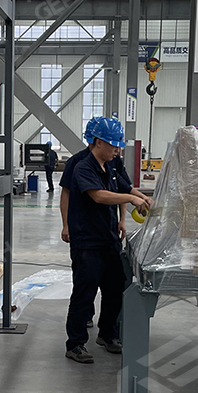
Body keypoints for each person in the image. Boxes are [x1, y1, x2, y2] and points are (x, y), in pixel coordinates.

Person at [61, 117, 151, 364]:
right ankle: (75, 344)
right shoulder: (82, 167)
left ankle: (107, 334)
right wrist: (131, 200)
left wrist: (143, 198)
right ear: (98, 142)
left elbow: (125, 188)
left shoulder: (110, 166)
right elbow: (99, 196)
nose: (117, 150)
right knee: (85, 292)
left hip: (108, 239)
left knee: (115, 289)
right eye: (113, 145)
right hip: (87, 242)